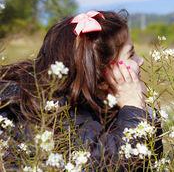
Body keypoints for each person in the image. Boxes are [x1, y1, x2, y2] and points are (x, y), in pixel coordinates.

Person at [0, 10, 162, 170]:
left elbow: (148, 159)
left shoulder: (97, 101)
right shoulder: (53, 114)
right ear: (100, 72)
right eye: (131, 54)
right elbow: (112, 164)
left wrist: (141, 108)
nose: (140, 61)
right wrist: (134, 108)